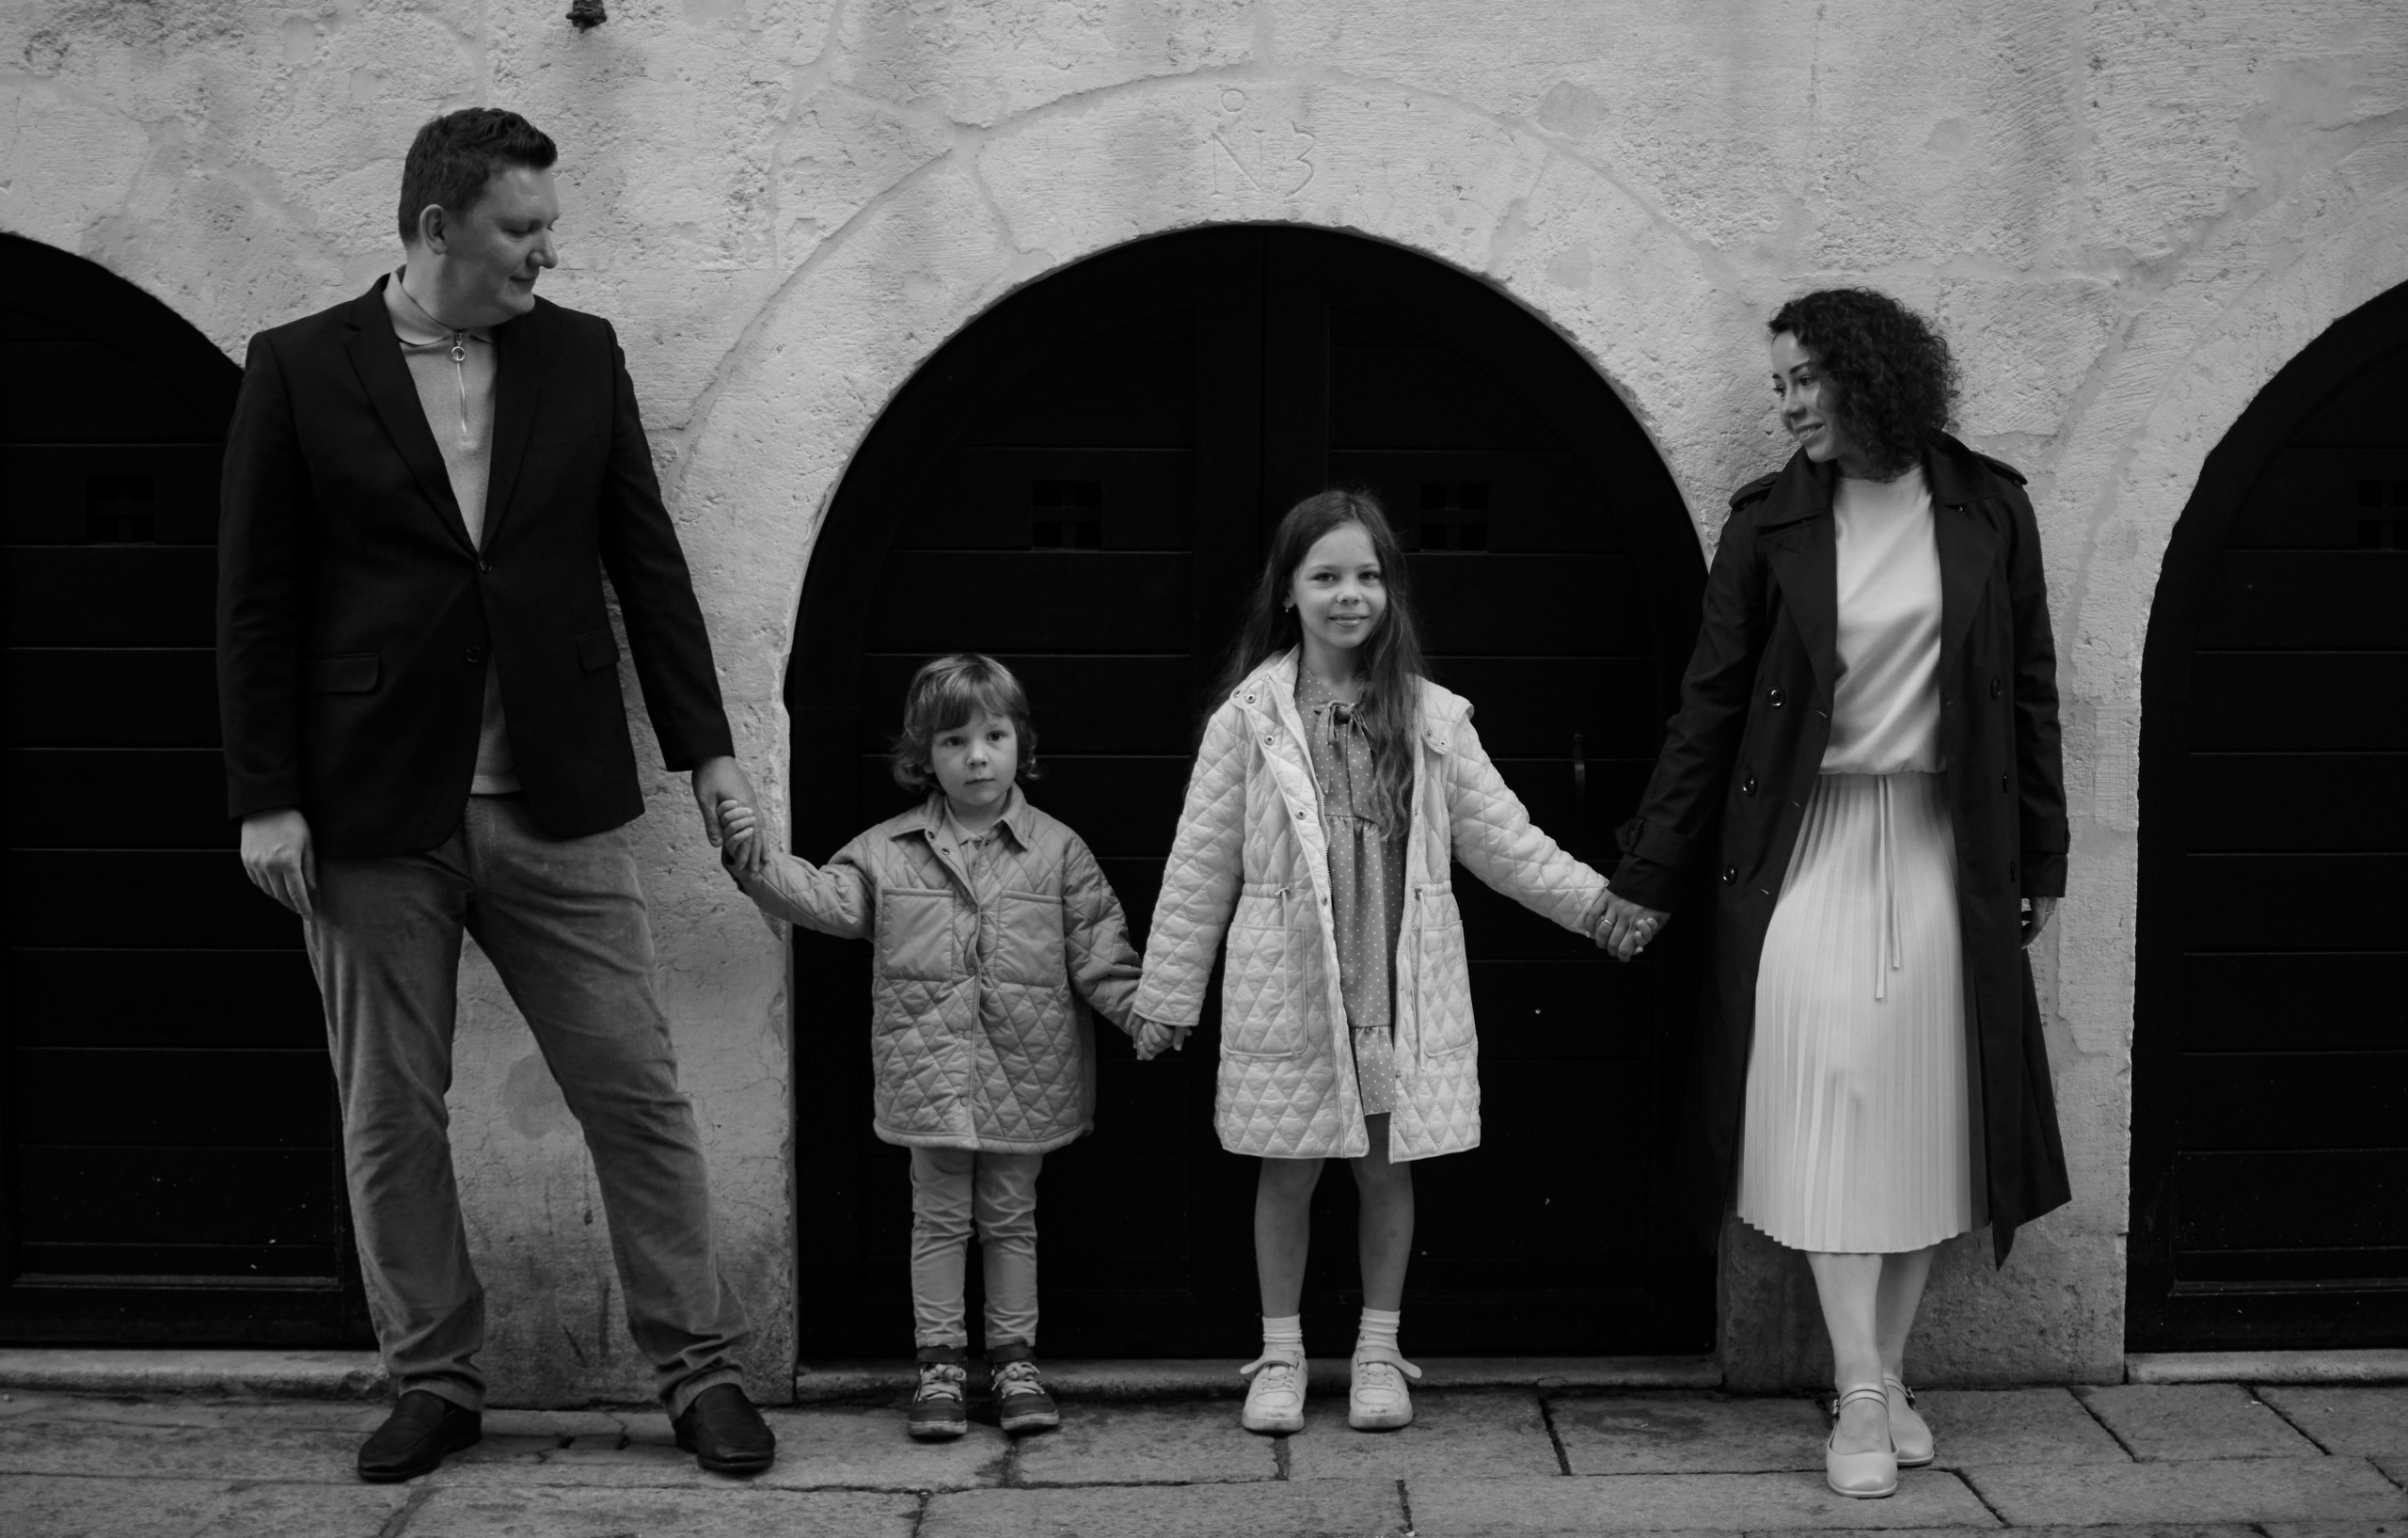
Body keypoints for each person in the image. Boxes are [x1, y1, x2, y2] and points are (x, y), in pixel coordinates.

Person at [217, 108, 774, 1482]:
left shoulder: (580, 355)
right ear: (434, 229)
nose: (546, 252)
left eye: (547, 228)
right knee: (389, 1109)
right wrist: (266, 796)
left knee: (635, 1088)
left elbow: (646, 561)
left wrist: (706, 747)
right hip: (365, 810)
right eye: (521, 229)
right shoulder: (297, 368)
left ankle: (698, 1366)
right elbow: (254, 600)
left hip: (557, 795)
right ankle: (435, 1377)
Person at [1595, 288, 2072, 1498]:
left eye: (1807, 378)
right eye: (1778, 386)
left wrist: (2041, 859)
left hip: (1939, 846)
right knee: (1827, 1095)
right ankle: (1859, 1390)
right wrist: (1648, 869)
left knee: (1924, 1120)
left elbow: (2027, 692)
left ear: (1872, 376)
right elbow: (1708, 705)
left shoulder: (1987, 508)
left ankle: (1882, 1371)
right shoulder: (1769, 524)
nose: (1790, 403)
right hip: (1803, 849)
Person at [1132, 489, 1613, 1436]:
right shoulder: (1249, 718)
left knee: (1388, 1168)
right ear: (1288, 593)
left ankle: (1378, 1349)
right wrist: (1167, 993)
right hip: (1292, 984)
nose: (1348, 594)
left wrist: (1599, 908)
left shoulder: (1431, 718)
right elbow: (1200, 862)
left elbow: (1502, 841)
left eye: (1367, 575)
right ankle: (1278, 1352)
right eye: (1326, 577)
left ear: (1390, 589)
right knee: (1288, 1169)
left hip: (1392, 978)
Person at [716, 654, 1142, 1441]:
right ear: (923, 756)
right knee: (938, 1219)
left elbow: (1099, 950)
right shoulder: (887, 850)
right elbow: (822, 898)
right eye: (953, 741)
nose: (976, 755)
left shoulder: (1057, 850)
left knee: (1012, 1218)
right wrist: (755, 862)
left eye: (994, 735)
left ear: (1021, 744)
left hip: (1028, 1072)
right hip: (931, 1077)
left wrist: (1144, 1014)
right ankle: (940, 1368)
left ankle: (1015, 1364)